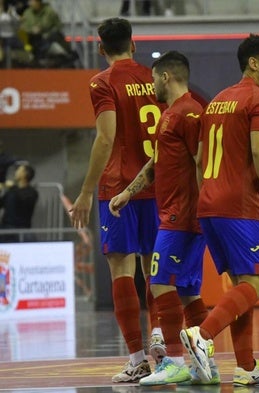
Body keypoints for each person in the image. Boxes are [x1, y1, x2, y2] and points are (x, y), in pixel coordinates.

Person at [180, 33, 259, 387]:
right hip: (241, 206)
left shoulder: (218, 101)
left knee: (243, 285)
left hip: (210, 202)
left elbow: (207, 157)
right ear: (254, 64)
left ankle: (246, 367)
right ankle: (204, 334)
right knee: (256, 285)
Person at [69, 17, 166, 383]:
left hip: (118, 189)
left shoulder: (102, 82)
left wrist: (86, 190)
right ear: (134, 44)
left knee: (121, 269)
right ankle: (158, 331)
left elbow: (106, 138)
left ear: (100, 48)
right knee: (153, 264)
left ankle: (138, 359)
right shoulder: (156, 76)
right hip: (157, 184)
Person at [109, 50, 213, 387]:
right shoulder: (171, 114)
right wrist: (128, 192)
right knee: (188, 294)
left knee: (159, 283)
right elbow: (157, 163)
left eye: (154, 78)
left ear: (165, 76)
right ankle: (204, 364)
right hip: (175, 212)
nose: (151, 84)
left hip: (182, 216)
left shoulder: (190, 113)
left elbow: (202, 162)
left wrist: (203, 209)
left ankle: (175, 360)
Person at [19, 0, 77, 67]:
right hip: (32, 39)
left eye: (33, 1)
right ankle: (36, 57)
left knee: (55, 35)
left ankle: (68, 54)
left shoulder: (49, 11)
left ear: (38, 2)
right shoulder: (27, 13)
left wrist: (47, 33)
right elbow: (23, 27)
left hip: (47, 37)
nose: (31, 3)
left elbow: (58, 25)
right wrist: (32, 30)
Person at [0, 163, 38, 243]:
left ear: (25, 174)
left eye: (19, 170)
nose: (16, 172)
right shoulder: (11, 191)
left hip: (22, 230)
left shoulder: (31, 192)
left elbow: (23, 199)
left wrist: (13, 187)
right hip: (5, 229)